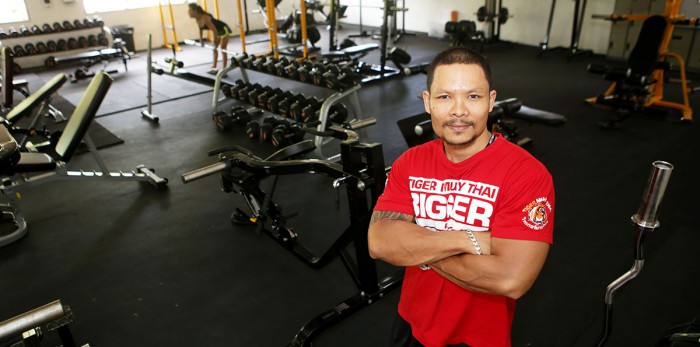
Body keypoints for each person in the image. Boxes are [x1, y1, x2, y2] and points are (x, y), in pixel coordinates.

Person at [368, 47, 555, 347]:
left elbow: (510, 279)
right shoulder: (410, 162)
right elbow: (379, 242)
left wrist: (416, 246)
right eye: (445, 97)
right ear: (428, 103)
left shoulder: (527, 174)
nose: (458, 110)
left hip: (478, 338)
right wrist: (467, 238)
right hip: (411, 323)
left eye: (472, 96)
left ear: (491, 101)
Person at [188, 3, 233, 73]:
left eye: (190, 10)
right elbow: (200, 29)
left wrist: (214, 42)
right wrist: (201, 40)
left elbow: (214, 30)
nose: (188, 12)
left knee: (223, 49)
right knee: (214, 49)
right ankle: (214, 67)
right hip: (217, 31)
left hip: (223, 29)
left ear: (195, 11)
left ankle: (224, 69)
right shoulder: (197, 19)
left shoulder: (205, 18)